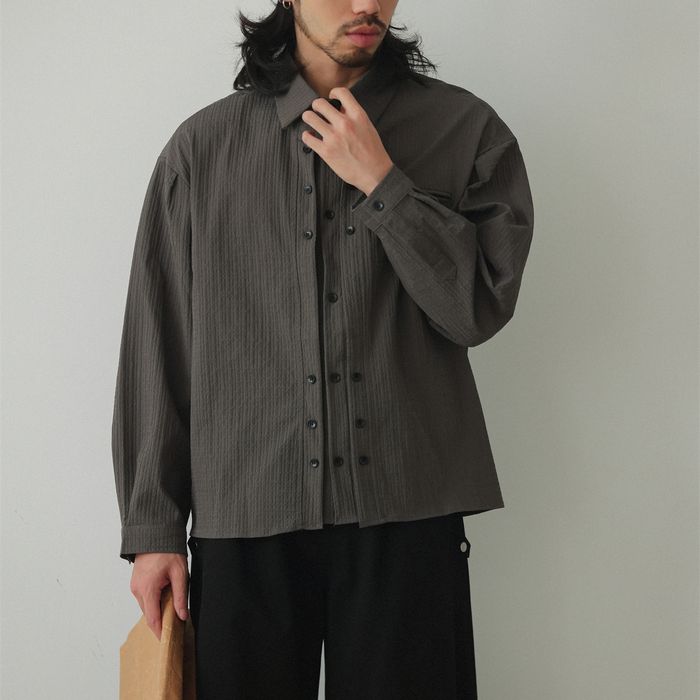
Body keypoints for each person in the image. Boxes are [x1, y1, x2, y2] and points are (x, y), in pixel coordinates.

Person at [111, 0, 534, 697]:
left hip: (407, 514)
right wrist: (154, 527)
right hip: (247, 517)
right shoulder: (201, 150)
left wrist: (385, 185)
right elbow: (160, 343)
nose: (368, 4)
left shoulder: (466, 132)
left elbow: (477, 309)